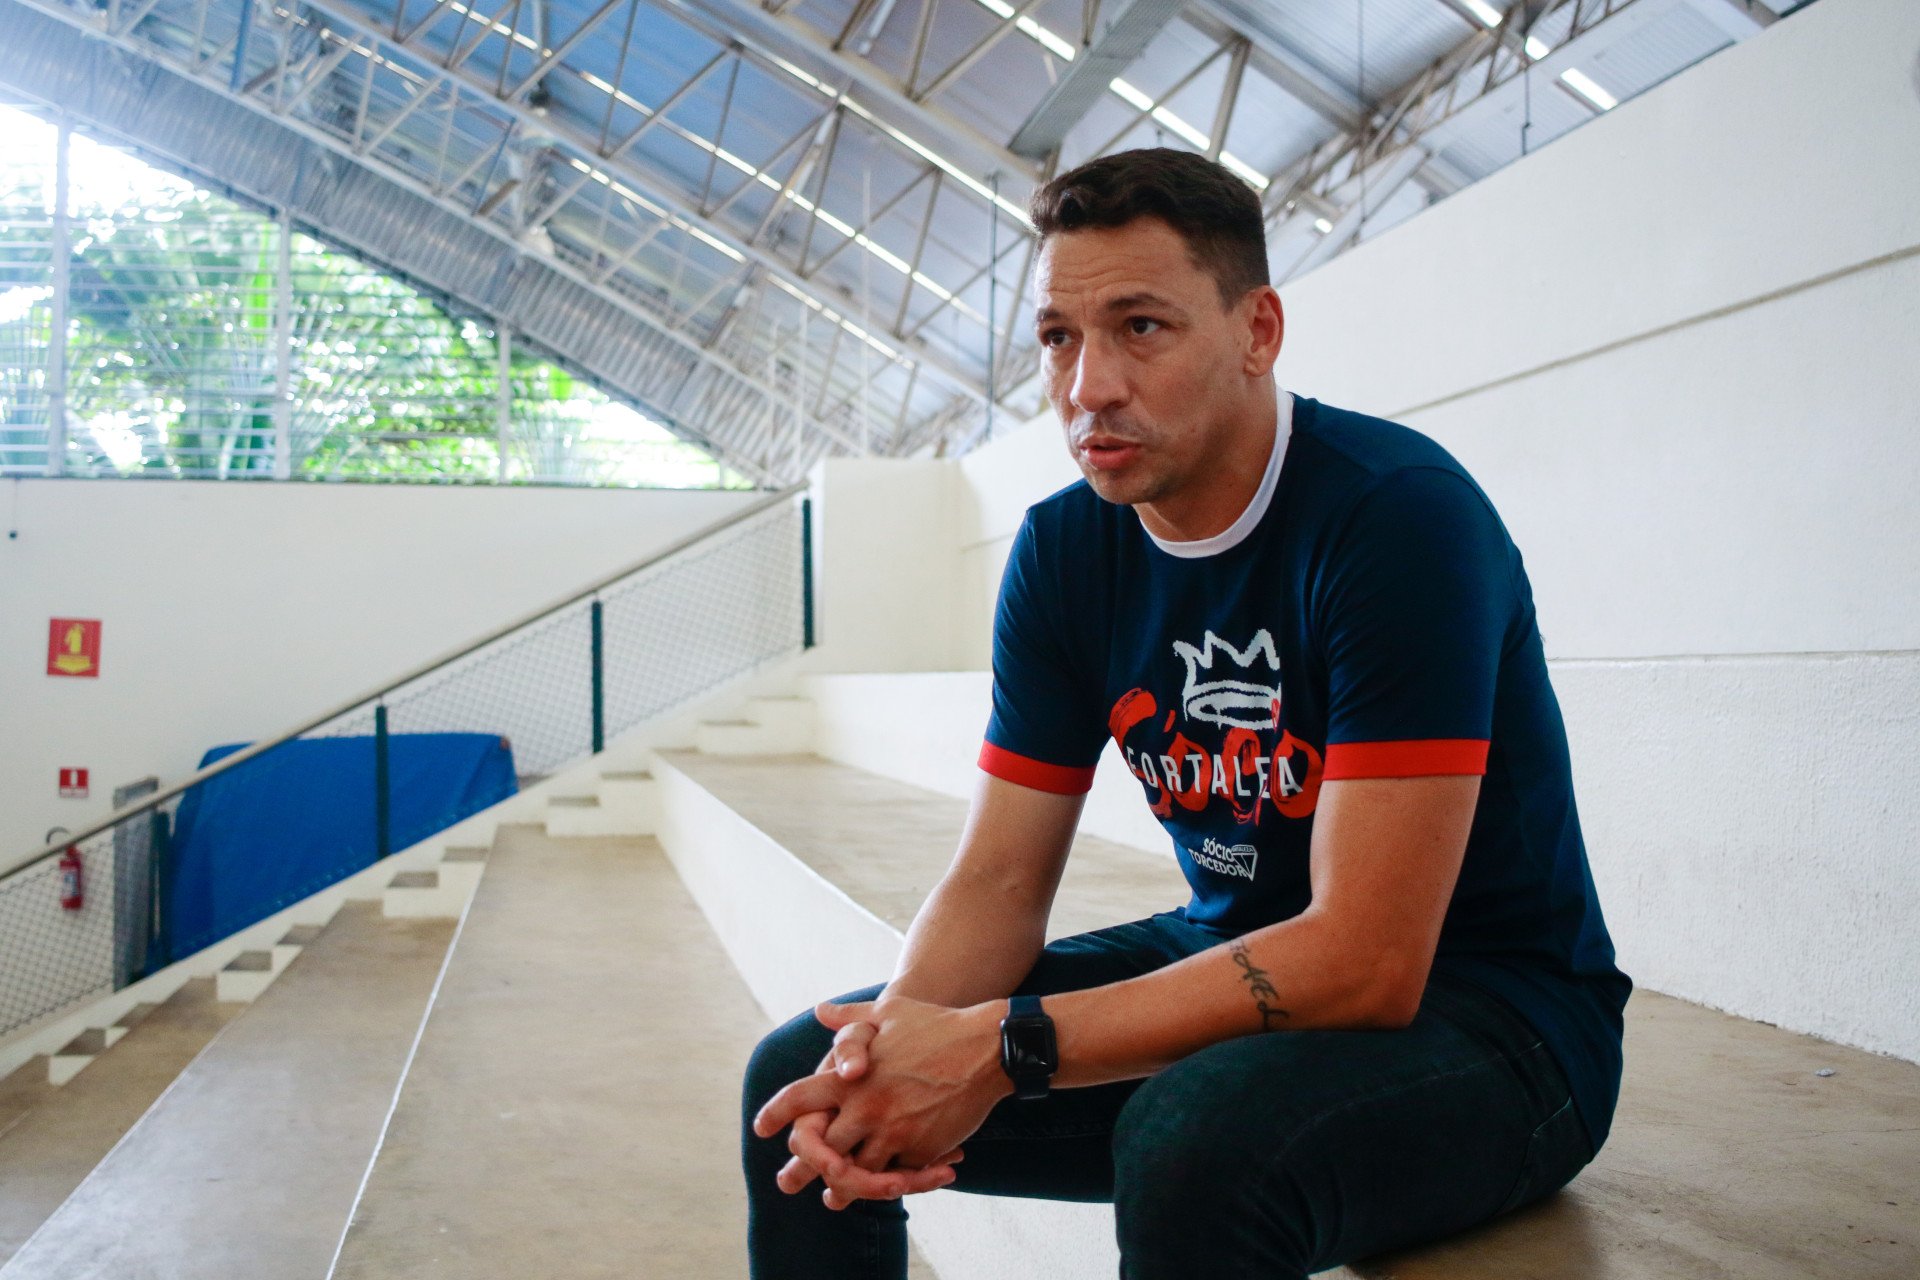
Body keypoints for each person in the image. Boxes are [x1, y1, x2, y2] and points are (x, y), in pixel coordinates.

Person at [742, 147, 1630, 1280]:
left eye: (1141, 328)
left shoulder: (1397, 520)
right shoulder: (1066, 550)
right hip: (1238, 951)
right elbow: (1000, 879)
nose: (1086, 386)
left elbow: (1369, 958)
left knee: (1199, 1143)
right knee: (802, 1080)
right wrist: (898, 1043)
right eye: (1060, 337)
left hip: (1498, 1023)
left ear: (1258, 330)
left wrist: (1004, 1047)